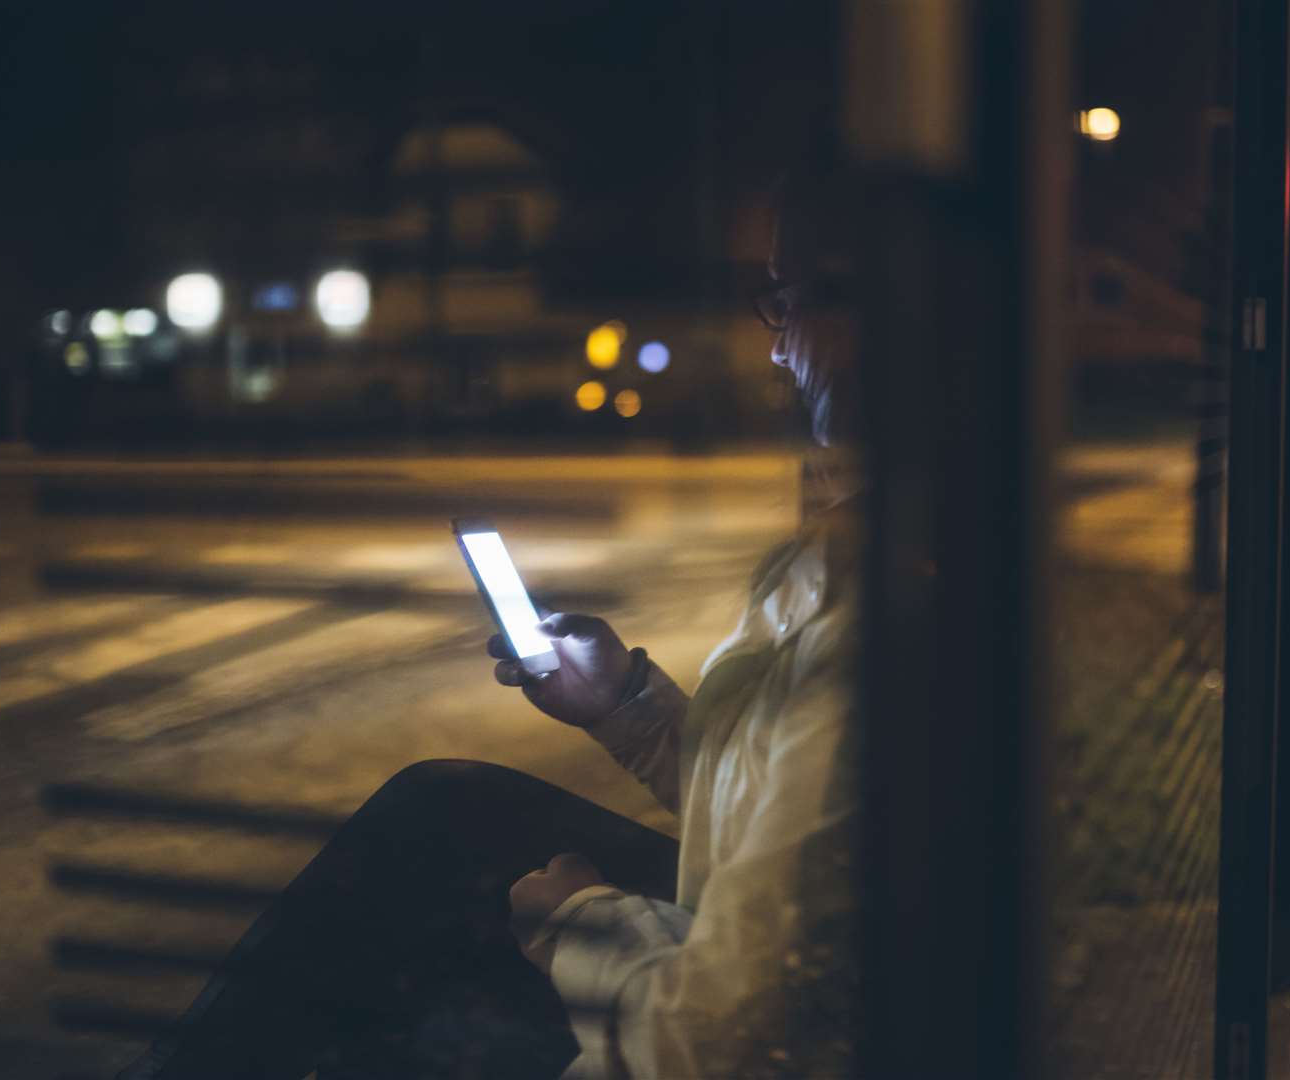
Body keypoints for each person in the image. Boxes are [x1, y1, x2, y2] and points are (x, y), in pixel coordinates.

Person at [116, 165, 862, 1079]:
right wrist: (625, 705)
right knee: (447, 804)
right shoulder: (866, 534)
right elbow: (784, 806)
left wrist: (584, 922)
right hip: (739, 953)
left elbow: (721, 1048)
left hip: (722, 1015)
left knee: (430, 859)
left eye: (787, 303)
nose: (776, 349)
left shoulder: (900, 603)